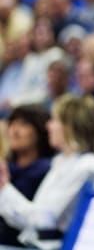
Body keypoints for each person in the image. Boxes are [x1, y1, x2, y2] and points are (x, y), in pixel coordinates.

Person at [0, 94, 94, 249]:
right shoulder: (62, 161)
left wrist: (4, 188)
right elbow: (32, 220)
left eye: (54, 120)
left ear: (69, 126)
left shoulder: (88, 166)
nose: (48, 126)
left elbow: (43, 220)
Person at [0, 105, 54, 247]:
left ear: (40, 131)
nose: (14, 131)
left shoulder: (48, 171)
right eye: (12, 124)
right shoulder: (7, 167)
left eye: (24, 124)